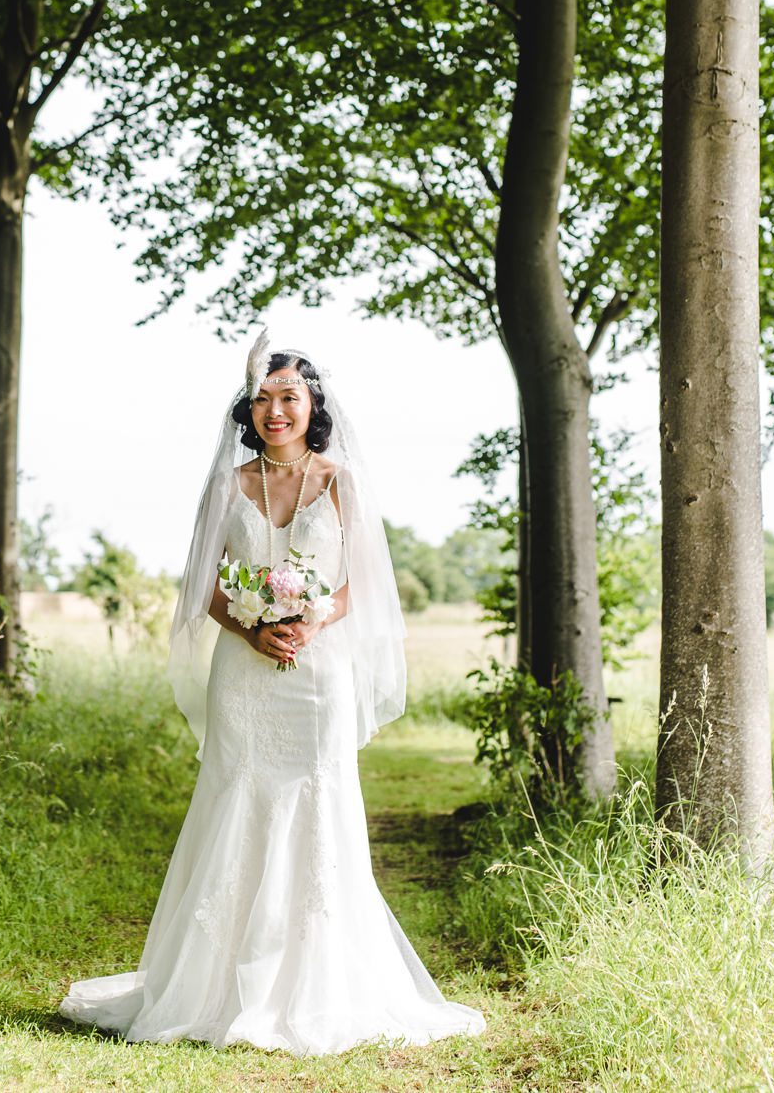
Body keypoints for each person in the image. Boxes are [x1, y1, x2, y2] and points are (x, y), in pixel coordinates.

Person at [57, 331, 486, 1055]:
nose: (274, 410)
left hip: (320, 675)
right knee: (238, 793)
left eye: (288, 396)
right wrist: (253, 629)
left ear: (313, 404)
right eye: (262, 398)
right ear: (248, 410)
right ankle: (213, 983)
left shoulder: (340, 481)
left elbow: (364, 587)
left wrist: (314, 616)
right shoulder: (228, 487)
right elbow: (202, 588)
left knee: (318, 799)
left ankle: (317, 981)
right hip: (244, 673)